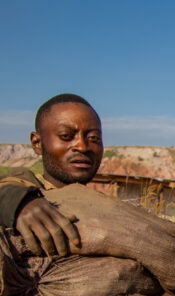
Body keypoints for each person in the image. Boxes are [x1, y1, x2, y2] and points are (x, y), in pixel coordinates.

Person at [0, 93, 103, 257]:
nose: (82, 147)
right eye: (66, 136)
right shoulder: (27, 188)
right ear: (37, 143)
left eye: (93, 138)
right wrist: (20, 204)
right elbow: (5, 188)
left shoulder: (103, 205)